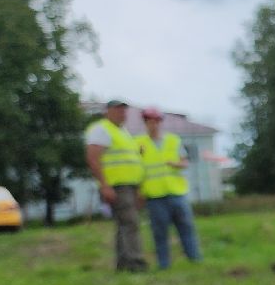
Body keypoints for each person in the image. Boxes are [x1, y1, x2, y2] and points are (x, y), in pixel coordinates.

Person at [84, 100, 147, 271]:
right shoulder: (101, 130)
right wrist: (105, 185)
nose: (122, 113)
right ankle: (136, 263)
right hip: (117, 186)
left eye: (124, 110)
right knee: (130, 223)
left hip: (129, 185)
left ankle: (124, 263)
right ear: (108, 111)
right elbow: (93, 158)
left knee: (124, 225)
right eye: (118, 110)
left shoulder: (123, 132)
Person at [136, 106, 201, 269]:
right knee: (160, 233)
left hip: (176, 193)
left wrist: (175, 164)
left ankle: (195, 259)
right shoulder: (138, 144)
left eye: (157, 121)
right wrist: (140, 193)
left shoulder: (173, 140)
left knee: (186, 228)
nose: (154, 125)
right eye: (150, 122)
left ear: (160, 123)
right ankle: (164, 264)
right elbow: (137, 169)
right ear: (146, 123)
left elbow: (185, 162)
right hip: (154, 196)